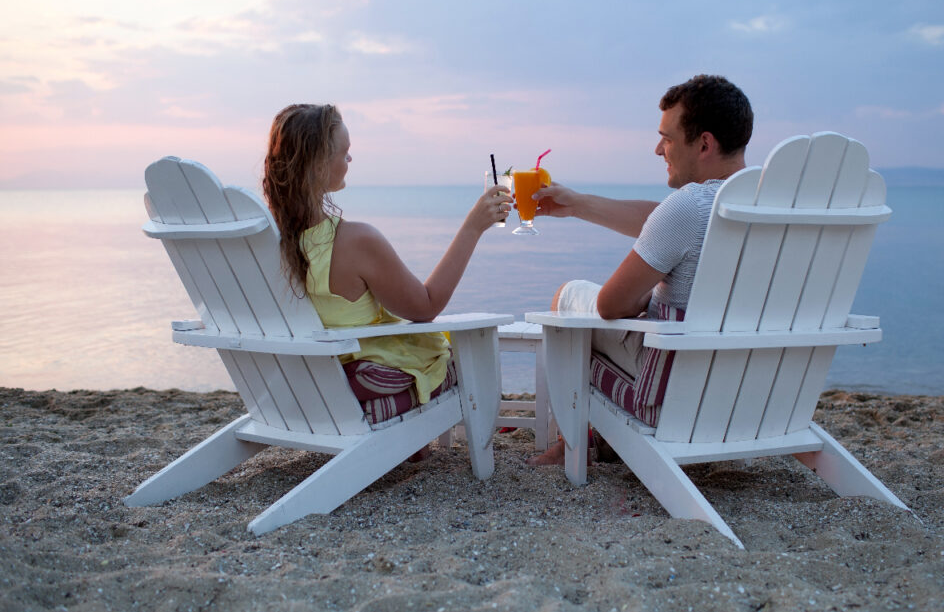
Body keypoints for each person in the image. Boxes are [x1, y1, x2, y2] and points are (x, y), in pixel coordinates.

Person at [526, 74, 753, 465]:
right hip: (752, 398)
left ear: (703, 143)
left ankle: (573, 444)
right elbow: (666, 224)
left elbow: (611, 306)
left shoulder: (689, 207)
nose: (657, 149)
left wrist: (649, 292)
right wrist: (579, 204)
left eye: (666, 137)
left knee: (569, 297)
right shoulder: (770, 206)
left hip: (673, 396)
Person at [263, 104, 512, 455]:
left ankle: (409, 446)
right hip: (354, 383)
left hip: (297, 385)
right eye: (344, 153)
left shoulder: (264, 244)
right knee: (468, 349)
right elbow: (425, 307)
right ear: (319, 164)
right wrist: (473, 226)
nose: (350, 160)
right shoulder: (355, 241)